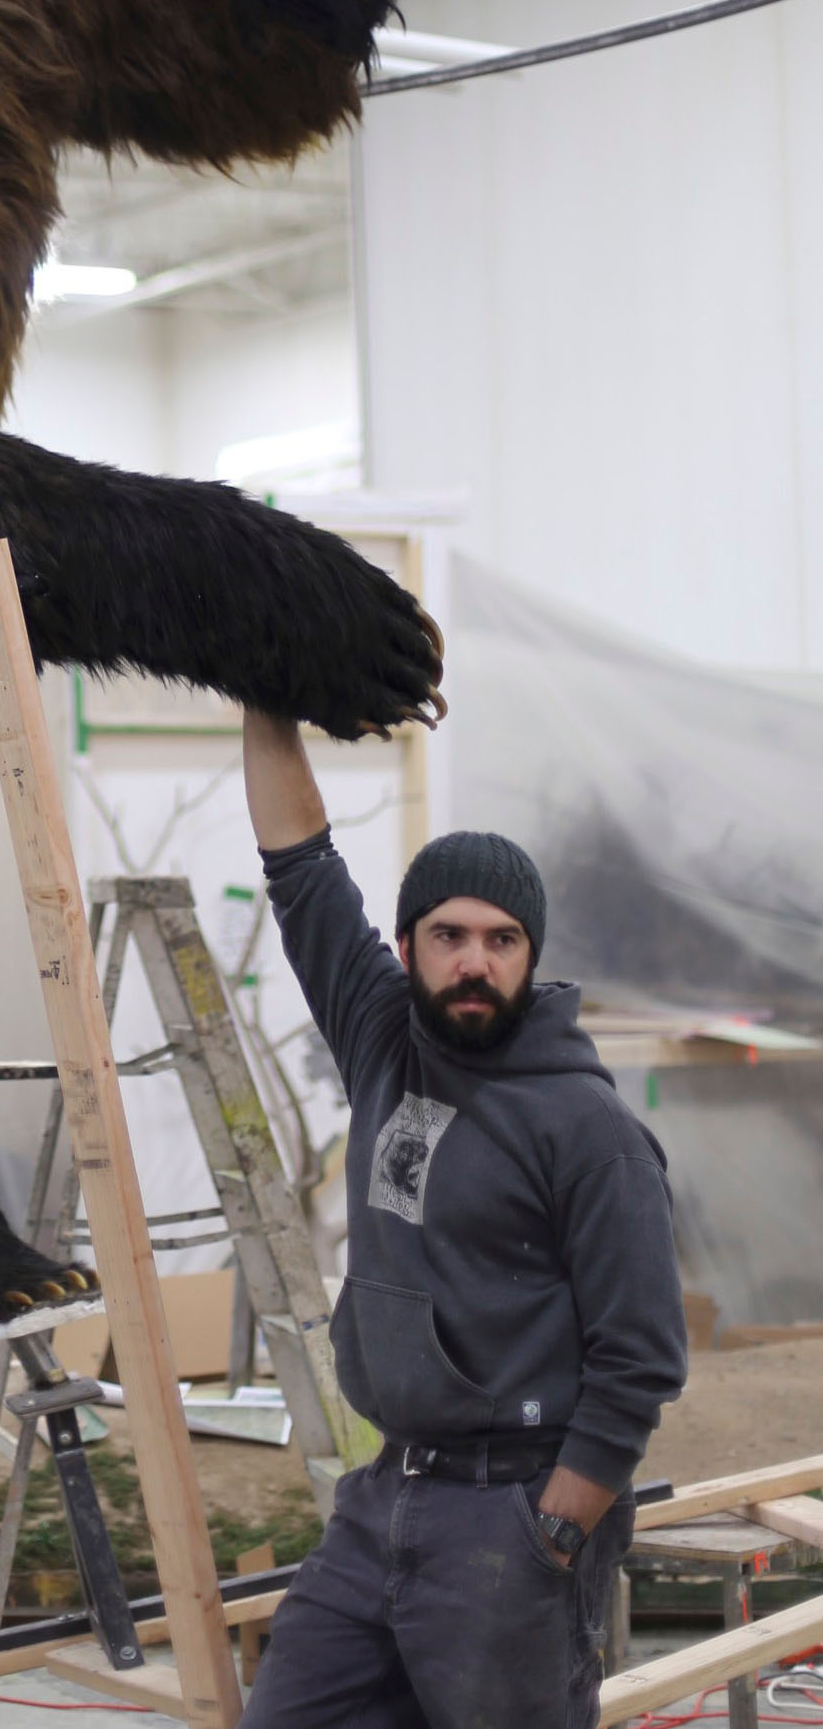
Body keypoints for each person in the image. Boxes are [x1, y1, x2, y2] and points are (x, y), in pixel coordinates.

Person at [238, 710, 686, 1729]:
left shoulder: (587, 1127)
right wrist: (263, 697)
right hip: (381, 1493)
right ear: (406, 947)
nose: (472, 961)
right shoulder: (382, 1039)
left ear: (530, 954)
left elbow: (640, 1356)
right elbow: (298, 864)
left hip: (511, 1516)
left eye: (500, 938)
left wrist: (555, 1532)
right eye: (447, 935)